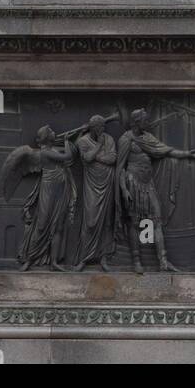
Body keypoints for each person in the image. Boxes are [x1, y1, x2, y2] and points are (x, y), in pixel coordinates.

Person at [115, 108, 195, 272]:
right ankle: (136, 262)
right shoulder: (126, 139)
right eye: (145, 121)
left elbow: (165, 150)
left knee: (156, 220)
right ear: (136, 122)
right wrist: (124, 189)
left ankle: (163, 262)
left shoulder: (148, 137)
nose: (148, 123)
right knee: (135, 223)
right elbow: (120, 167)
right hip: (133, 183)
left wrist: (187, 154)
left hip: (148, 185)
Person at [16, 125, 76, 270]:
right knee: (41, 226)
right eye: (52, 132)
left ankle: (54, 262)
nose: (55, 132)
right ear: (47, 138)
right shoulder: (45, 152)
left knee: (58, 226)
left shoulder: (52, 150)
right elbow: (67, 156)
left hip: (61, 192)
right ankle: (29, 259)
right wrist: (68, 141)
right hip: (49, 191)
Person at [73, 115, 117, 271]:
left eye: (104, 127)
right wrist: (98, 147)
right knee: (90, 222)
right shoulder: (82, 141)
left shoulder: (109, 139)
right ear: (93, 128)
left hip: (107, 182)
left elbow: (112, 159)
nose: (103, 130)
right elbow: (87, 158)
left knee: (106, 221)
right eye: (100, 127)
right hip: (92, 185)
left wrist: (96, 157)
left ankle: (104, 258)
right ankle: (84, 258)